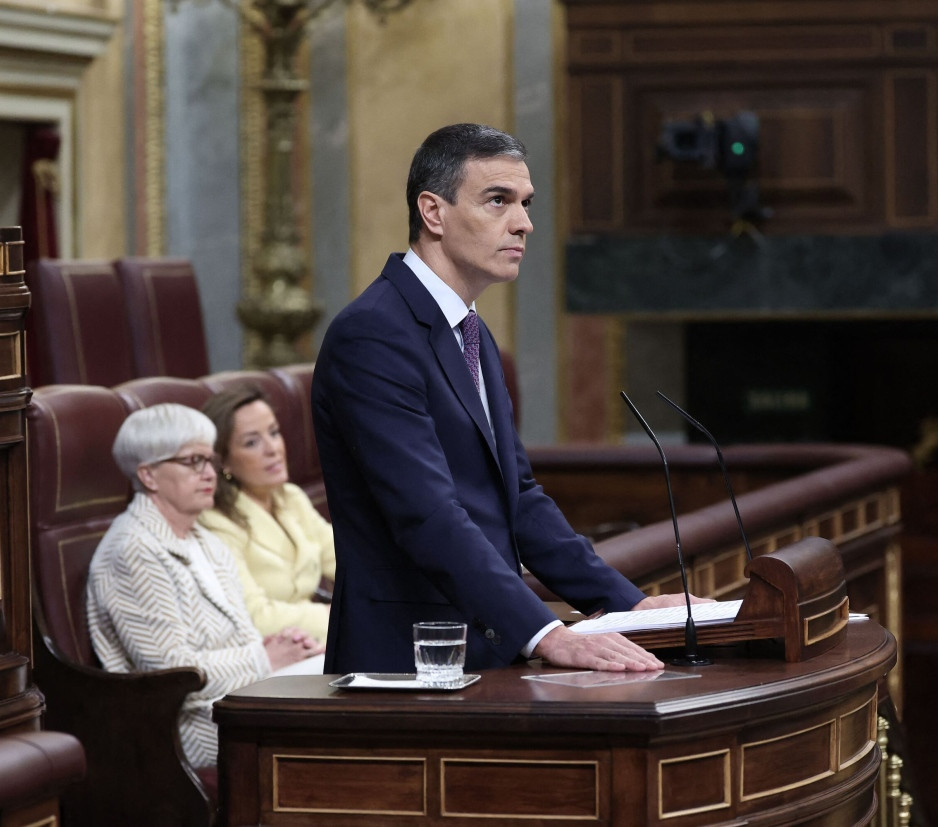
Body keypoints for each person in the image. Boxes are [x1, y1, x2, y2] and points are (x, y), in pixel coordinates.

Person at [312, 122, 709, 676]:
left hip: (484, 649)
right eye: (497, 201)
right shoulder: (373, 334)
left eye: (525, 203)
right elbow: (427, 515)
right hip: (407, 663)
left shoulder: (469, 330)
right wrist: (546, 633)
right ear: (433, 213)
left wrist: (630, 605)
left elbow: (517, 498)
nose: (523, 223)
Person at [85, 403, 307, 770]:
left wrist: (281, 648)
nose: (210, 473)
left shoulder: (206, 540)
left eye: (210, 459)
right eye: (192, 461)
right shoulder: (133, 550)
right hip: (188, 731)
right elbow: (171, 675)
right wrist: (264, 658)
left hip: (241, 705)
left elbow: (240, 636)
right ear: (149, 475)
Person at [199, 386, 331, 658]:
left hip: (320, 645)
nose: (273, 449)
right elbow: (255, 616)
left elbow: (351, 563)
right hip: (274, 659)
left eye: (274, 432)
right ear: (223, 461)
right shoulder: (215, 521)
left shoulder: (291, 497)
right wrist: (341, 617)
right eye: (252, 442)